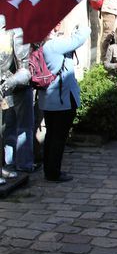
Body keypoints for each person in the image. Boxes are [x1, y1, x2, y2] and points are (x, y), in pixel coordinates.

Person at [39, 25, 90, 181]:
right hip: (61, 100)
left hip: (51, 100)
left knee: (51, 136)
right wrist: (77, 27)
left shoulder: (43, 45)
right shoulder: (53, 45)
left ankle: (49, 170)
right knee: (58, 138)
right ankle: (53, 172)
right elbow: (81, 36)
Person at [0, 21, 34, 180]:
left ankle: (16, 164)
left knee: (13, 128)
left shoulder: (16, 30)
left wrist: (9, 83)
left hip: (11, 88)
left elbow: (24, 71)